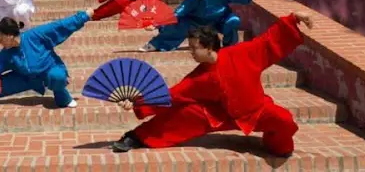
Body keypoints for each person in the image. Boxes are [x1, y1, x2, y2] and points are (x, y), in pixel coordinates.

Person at [110, 11, 315, 157]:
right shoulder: (198, 78)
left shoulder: (242, 53)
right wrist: (137, 103)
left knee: (285, 120)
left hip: (256, 110)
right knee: (183, 115)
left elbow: (268, 41)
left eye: (193, 48)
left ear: (209, 47)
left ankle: (276, 146)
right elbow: (171, 95)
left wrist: (293, 18)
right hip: (219, 115)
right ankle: (136, 137)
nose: (190, 52)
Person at [0, 6, 97, 110]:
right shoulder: (6, 54)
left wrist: (84, 16)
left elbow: (61, 26)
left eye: (0, 38)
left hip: (49, 69)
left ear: (9, 35)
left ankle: (63, 98)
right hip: (24, 78)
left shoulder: (36, 35)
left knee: (57, 76)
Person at [140, 0, 258, 52]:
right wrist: (156, 24)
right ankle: (156, 44)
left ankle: (229, 47)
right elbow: (177, 13)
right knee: (180, 23)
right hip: (198, 24)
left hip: (220, 20)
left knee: (233, 21)